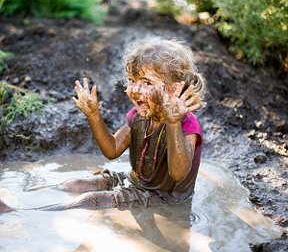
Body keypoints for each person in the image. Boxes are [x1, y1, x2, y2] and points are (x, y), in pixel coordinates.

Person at [0, 38, 205, 212]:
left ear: (175, 89)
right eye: (132, 80)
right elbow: (112, 150)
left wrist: (173, 122)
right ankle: (19, 197)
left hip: (164, 198)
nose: (135, 89)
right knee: (75, 185)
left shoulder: (187, 124)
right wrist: (94, 115)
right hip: (136, 182)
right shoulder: (139, 116)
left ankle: (19, 212)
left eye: (147, 82)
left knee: (90, 200)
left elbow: (179, 173)